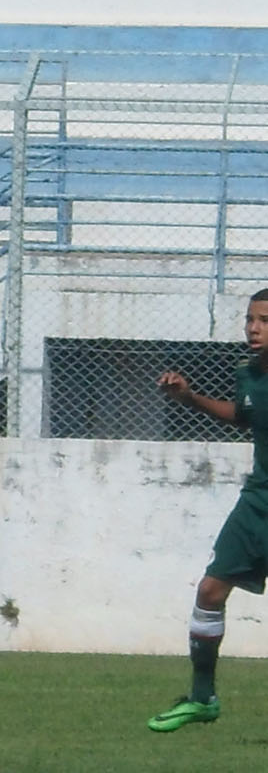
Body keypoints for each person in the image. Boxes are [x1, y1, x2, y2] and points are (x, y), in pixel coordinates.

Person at [147, 289, 268, 732]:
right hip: (257, 502)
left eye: (265, 320)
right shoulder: (249, 374)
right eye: (250, 319)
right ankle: (202, 698)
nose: (253, 328)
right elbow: (244, 416)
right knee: (210, 592)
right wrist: (190, 397)